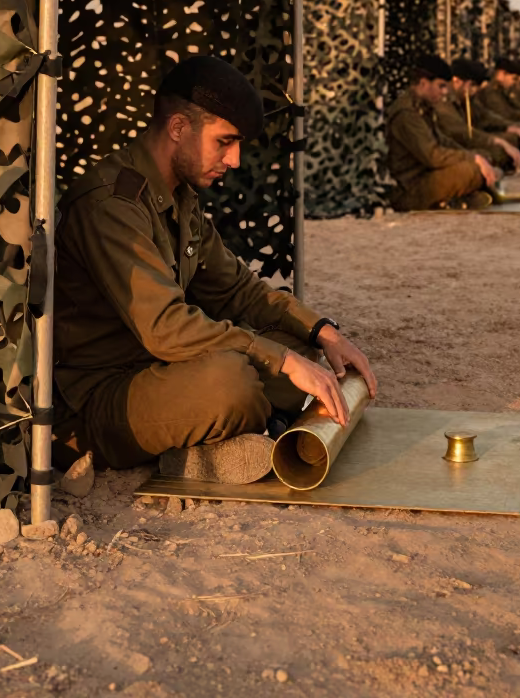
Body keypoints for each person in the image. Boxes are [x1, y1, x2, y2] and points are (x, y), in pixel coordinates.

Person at [52, 56, 377, 484]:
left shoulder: (179, 197)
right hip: (103, 398)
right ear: (179, 129)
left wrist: (321, 332)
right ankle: (213, 442)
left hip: (164, 369)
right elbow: (165, 327)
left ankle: (220, 438)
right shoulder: (111, 204)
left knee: (295, 346)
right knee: (233, 383)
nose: (236, 159)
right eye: (225, 141)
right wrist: (280, 361)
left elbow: (241, 292)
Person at [385, 54, 498, 211]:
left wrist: (476, 156)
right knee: (470, 172)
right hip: (409, 187)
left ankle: (464, 197)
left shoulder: (422, 107)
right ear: (423, 83)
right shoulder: (406, 113)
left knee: (484, 158)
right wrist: (473, 159)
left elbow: (442, 140)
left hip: (426, 176)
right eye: (441, 86)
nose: (445, 92)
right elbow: (433, 156)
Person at [436, 58, 520, 172]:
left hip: (463, 144)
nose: (476, 89)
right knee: (490, 154)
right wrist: (493, 140)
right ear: (456, 81)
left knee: (504, 143)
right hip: (453, 148)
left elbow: (485, 116)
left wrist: (511, 127)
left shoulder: (464, 98)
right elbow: (461, 132)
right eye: (472, 84)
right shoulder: (444, 102)